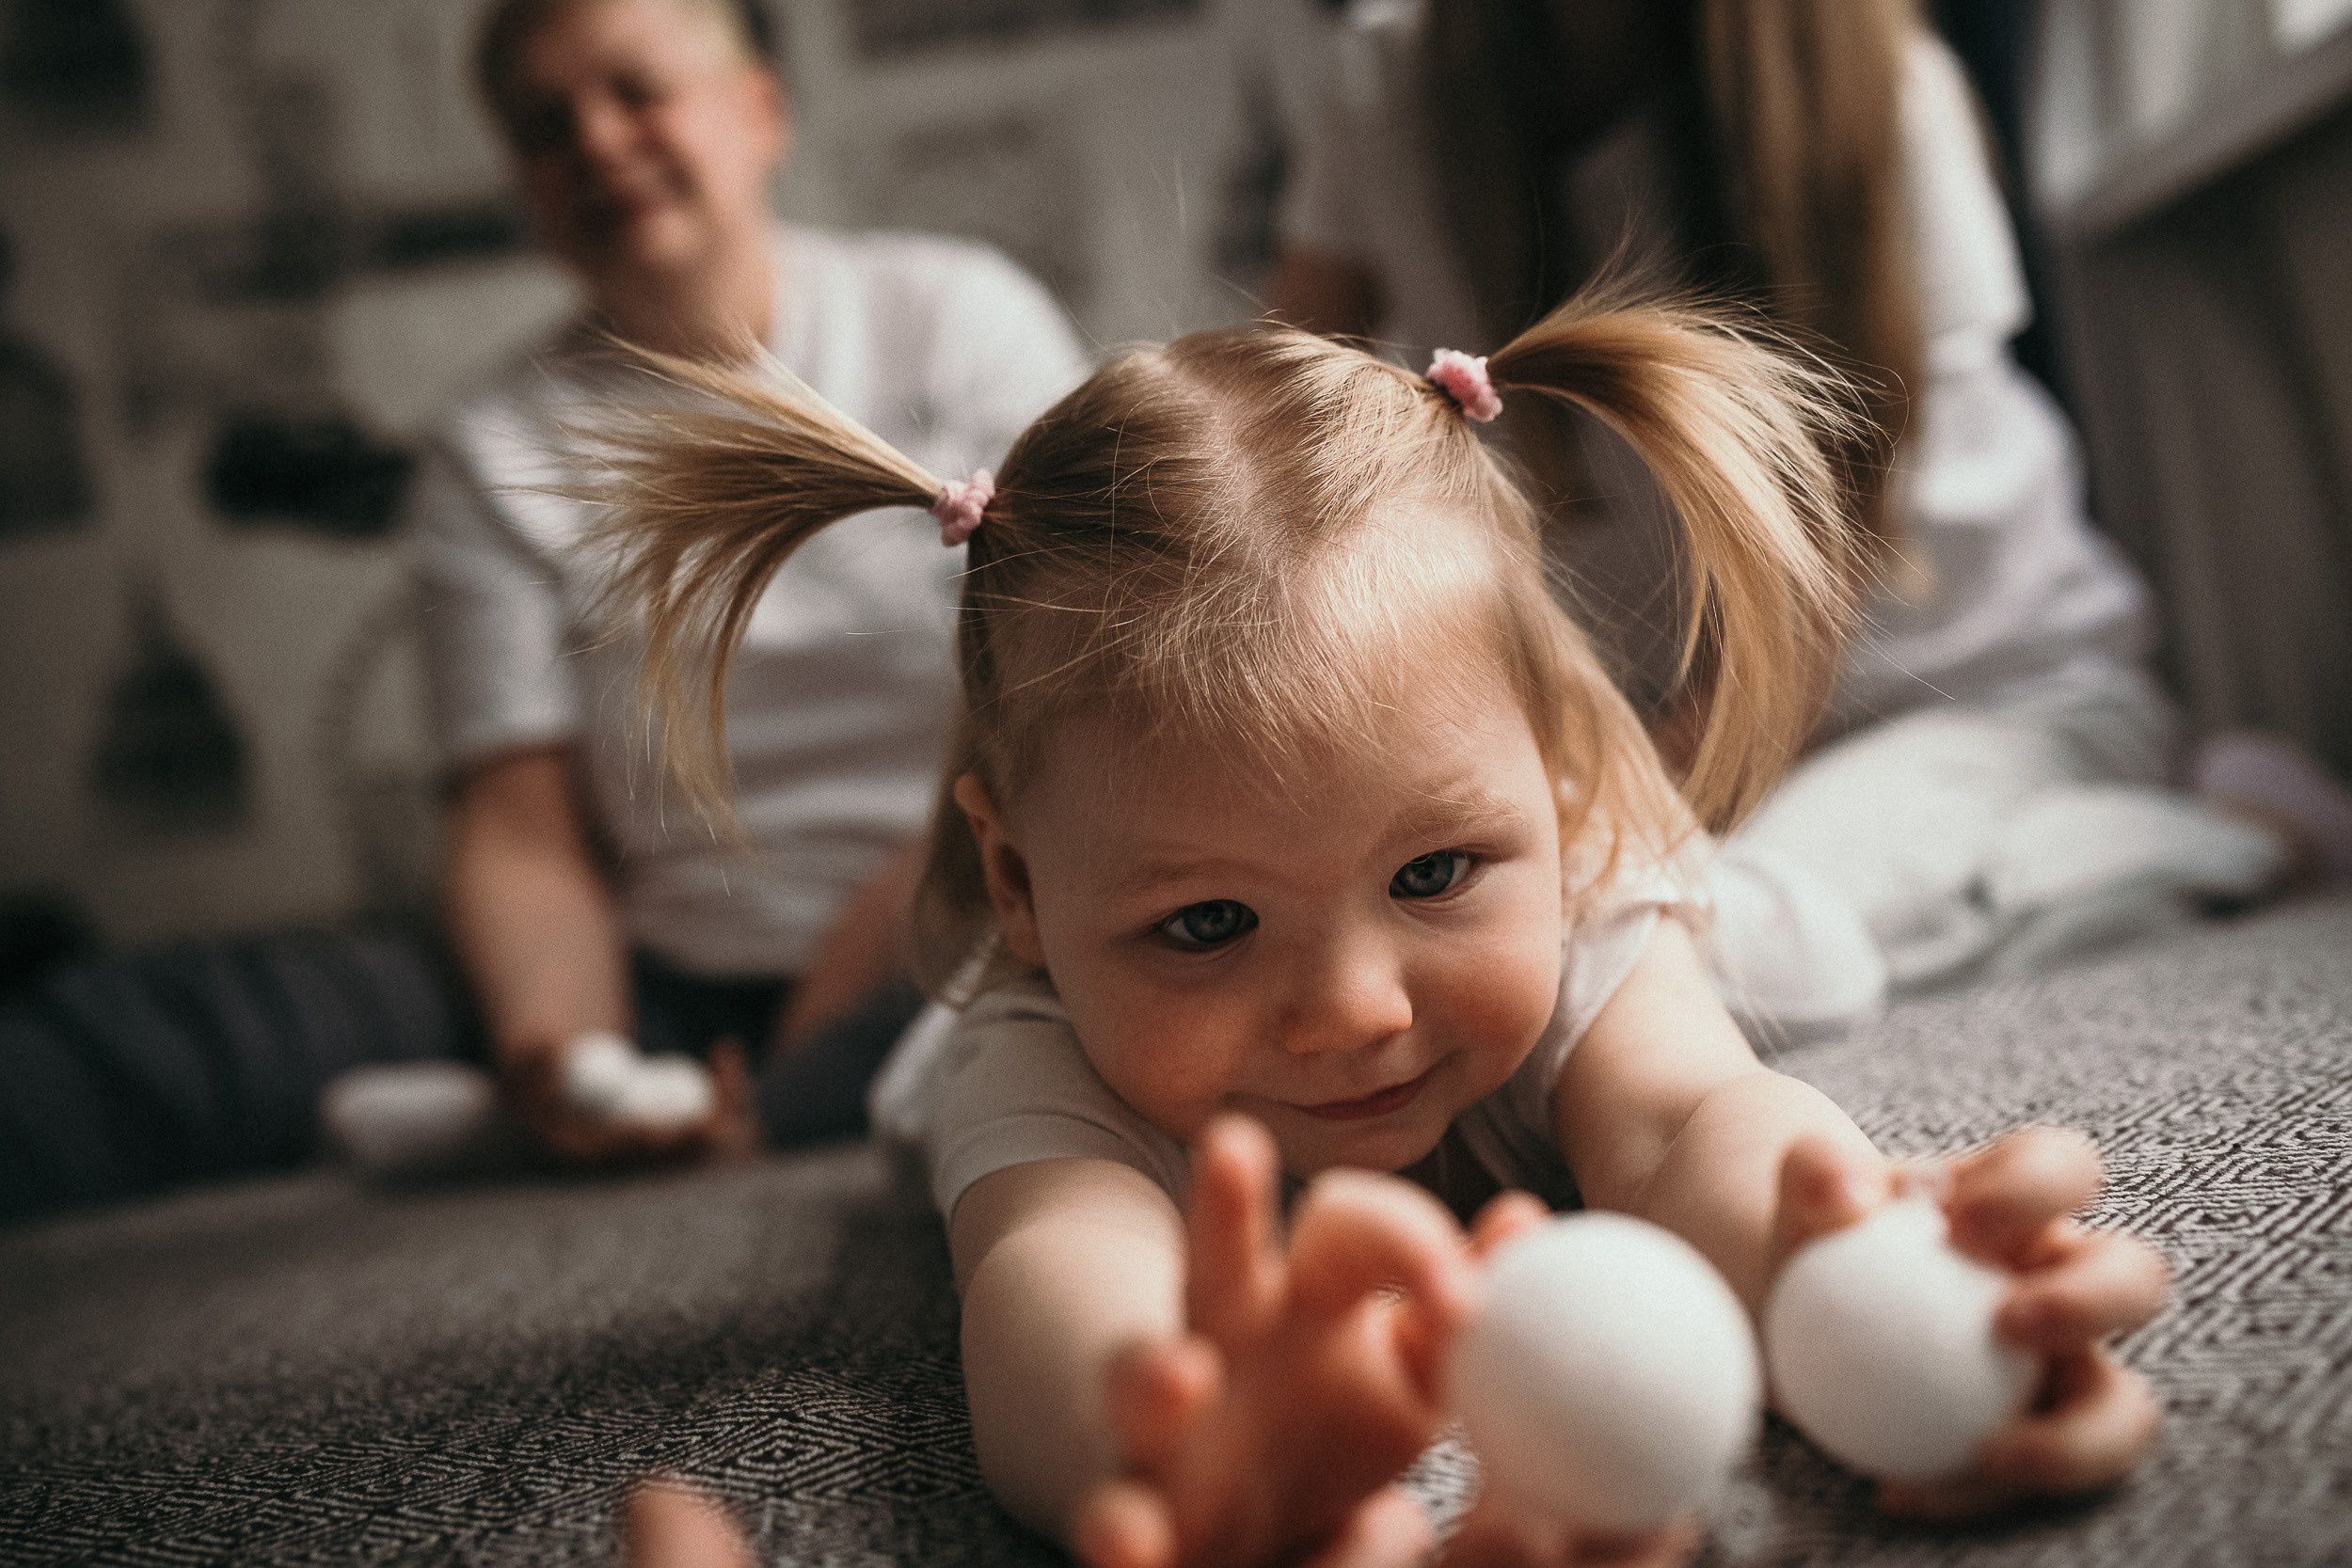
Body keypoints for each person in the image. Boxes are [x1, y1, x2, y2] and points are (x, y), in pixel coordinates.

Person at [582, 284, 2169, 1565]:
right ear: (1027, 896)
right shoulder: (1039, 1039)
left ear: (1550, 787)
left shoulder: (1586, 905)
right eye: (1207, 921)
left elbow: (1691, 1123)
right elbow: (1051, 1287)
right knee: (813, 1093)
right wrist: (1187, 1438)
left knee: (1894, 887)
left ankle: (2203, 819)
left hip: (1689, 872)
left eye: (1432, 877)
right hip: (930, 1020)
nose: (1352, 1011)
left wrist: (1866, 1269)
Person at [0, 0, 1088, 1225]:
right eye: (543, 125)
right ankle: (592, 1112)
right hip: (665, 981)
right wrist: (568, 1054)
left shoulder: (959, 319)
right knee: (148, 1033)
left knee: (1007, 1008)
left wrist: (857, 980)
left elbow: (1070, 713)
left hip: (968, 923)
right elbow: (519, 828)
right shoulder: (493, 447)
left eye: (636, 91)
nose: (597, 143)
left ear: (760, 108)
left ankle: (752, 1115)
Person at [1266, 0, 2337, 1013]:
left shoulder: (1877, 92)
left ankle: (2236, 827)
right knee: (1552, 947)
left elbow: (1799, 636)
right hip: (1668, 717)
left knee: (1683, 965)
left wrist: (1586, 829)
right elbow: (1271, 413)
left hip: (1967, 695)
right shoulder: (1381, 84)